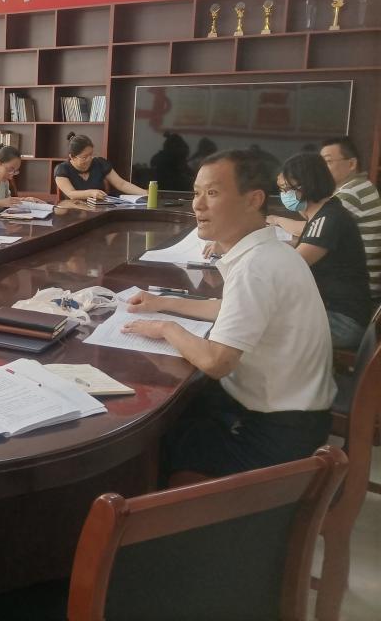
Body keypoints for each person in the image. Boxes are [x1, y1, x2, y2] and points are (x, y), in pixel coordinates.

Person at [122, 150, 336, 480]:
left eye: (212, 193)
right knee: (183, 404)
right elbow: (229, 310)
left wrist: (166, 328)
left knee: (150, 441)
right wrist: (162, 302)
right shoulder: (272, 251)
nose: (197, 205)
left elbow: (216, 362)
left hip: (274, 435)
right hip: (297, 415)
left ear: (253, 200)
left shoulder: (255, 267)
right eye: (196, 193)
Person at [272, 153, 371, 349]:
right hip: (333, 312)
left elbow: (290, 267)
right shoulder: (324, 214)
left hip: (342, 322)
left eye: (287, 189)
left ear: (307, 186)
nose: (285, 195)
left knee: (264, 328)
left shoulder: (328, 219)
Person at [320, 136, 381, 300]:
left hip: (359, 288)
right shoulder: (360, 186)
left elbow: (315, 228)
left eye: (328, 162)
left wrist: (277, 220)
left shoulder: (352, 193)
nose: (322, 169)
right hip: (358, 281)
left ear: (351, 164)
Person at [54, 133, 147, 201]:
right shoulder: (62, 170)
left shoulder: (100, 163)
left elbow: (121, 184)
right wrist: (91, 193)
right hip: (74, 211)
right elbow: (71, 194)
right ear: (72, 157)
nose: (89, 159)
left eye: (91, 154)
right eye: (84, 157)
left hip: (99, 210)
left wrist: (145, 193)